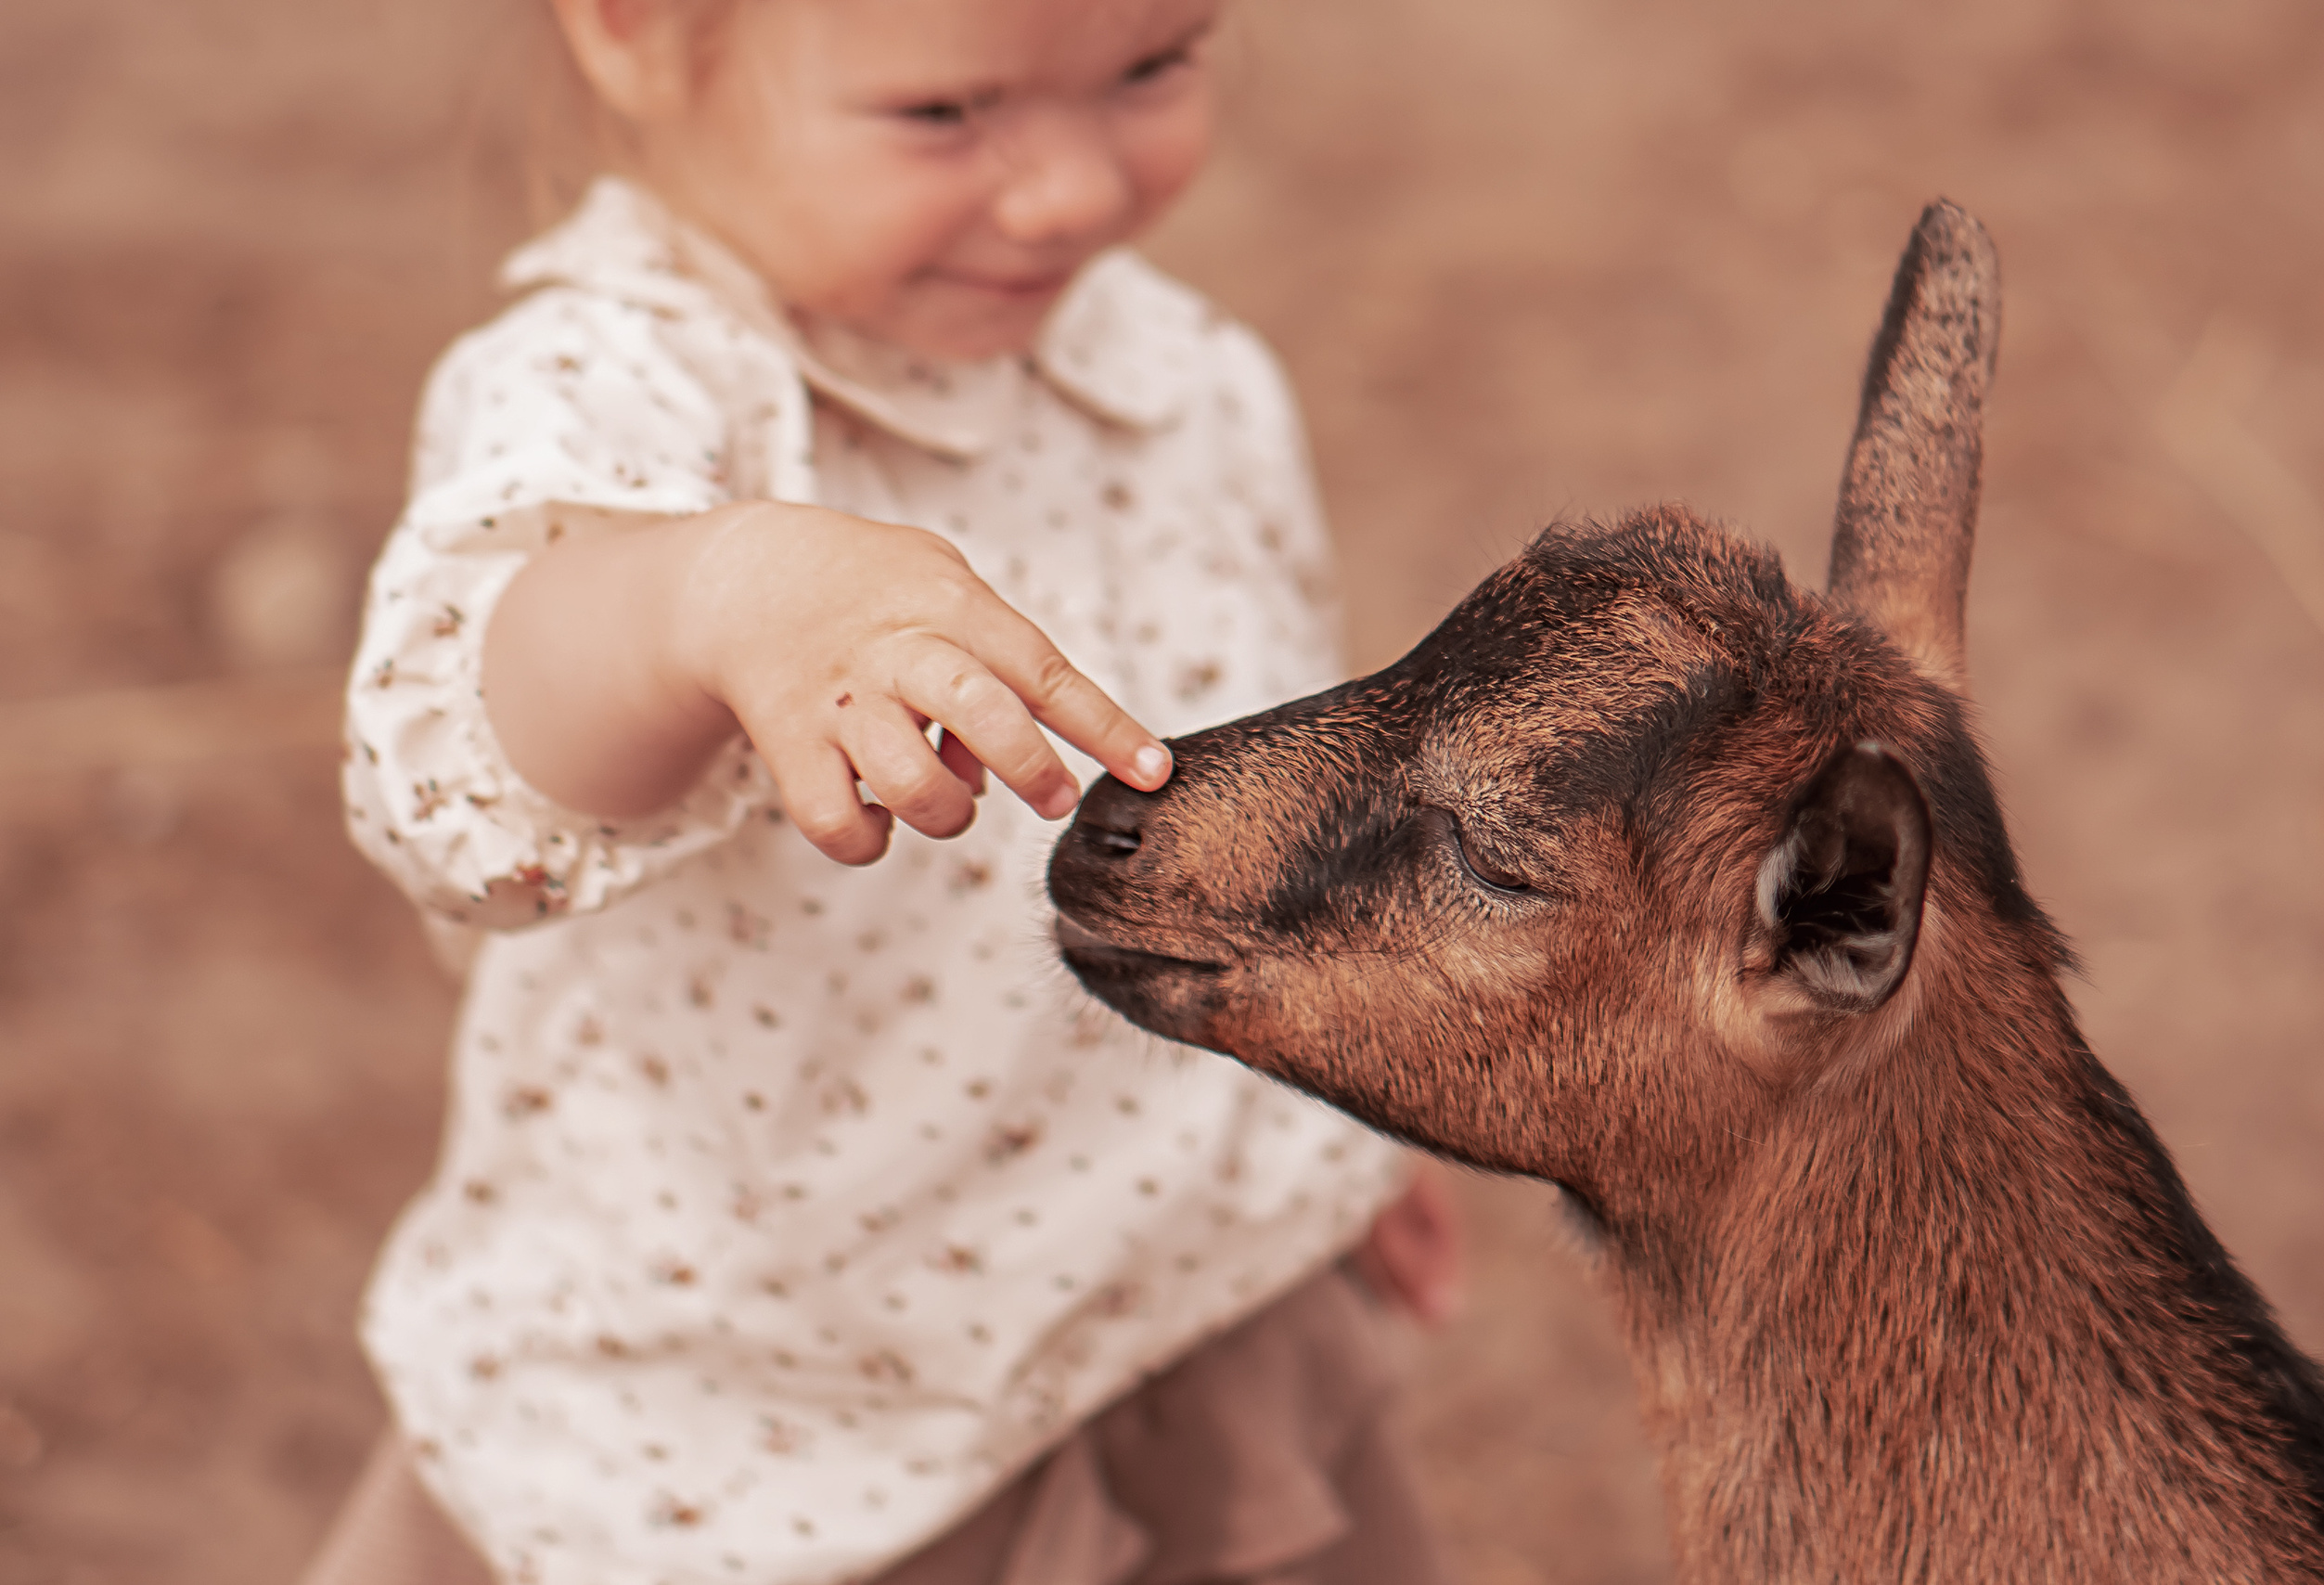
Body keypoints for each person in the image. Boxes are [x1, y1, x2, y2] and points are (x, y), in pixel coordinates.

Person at [307, 0, 1462, 1580]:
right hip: (776, 1445)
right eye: (944, 113)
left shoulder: (1184, 374)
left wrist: (1330, 1130)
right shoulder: (612, 383)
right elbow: (450, 763)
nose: (1065, 193)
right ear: (639, 33)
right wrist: (701, 602)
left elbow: (1252, 824)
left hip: (1191, 1323)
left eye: (1152, 66)